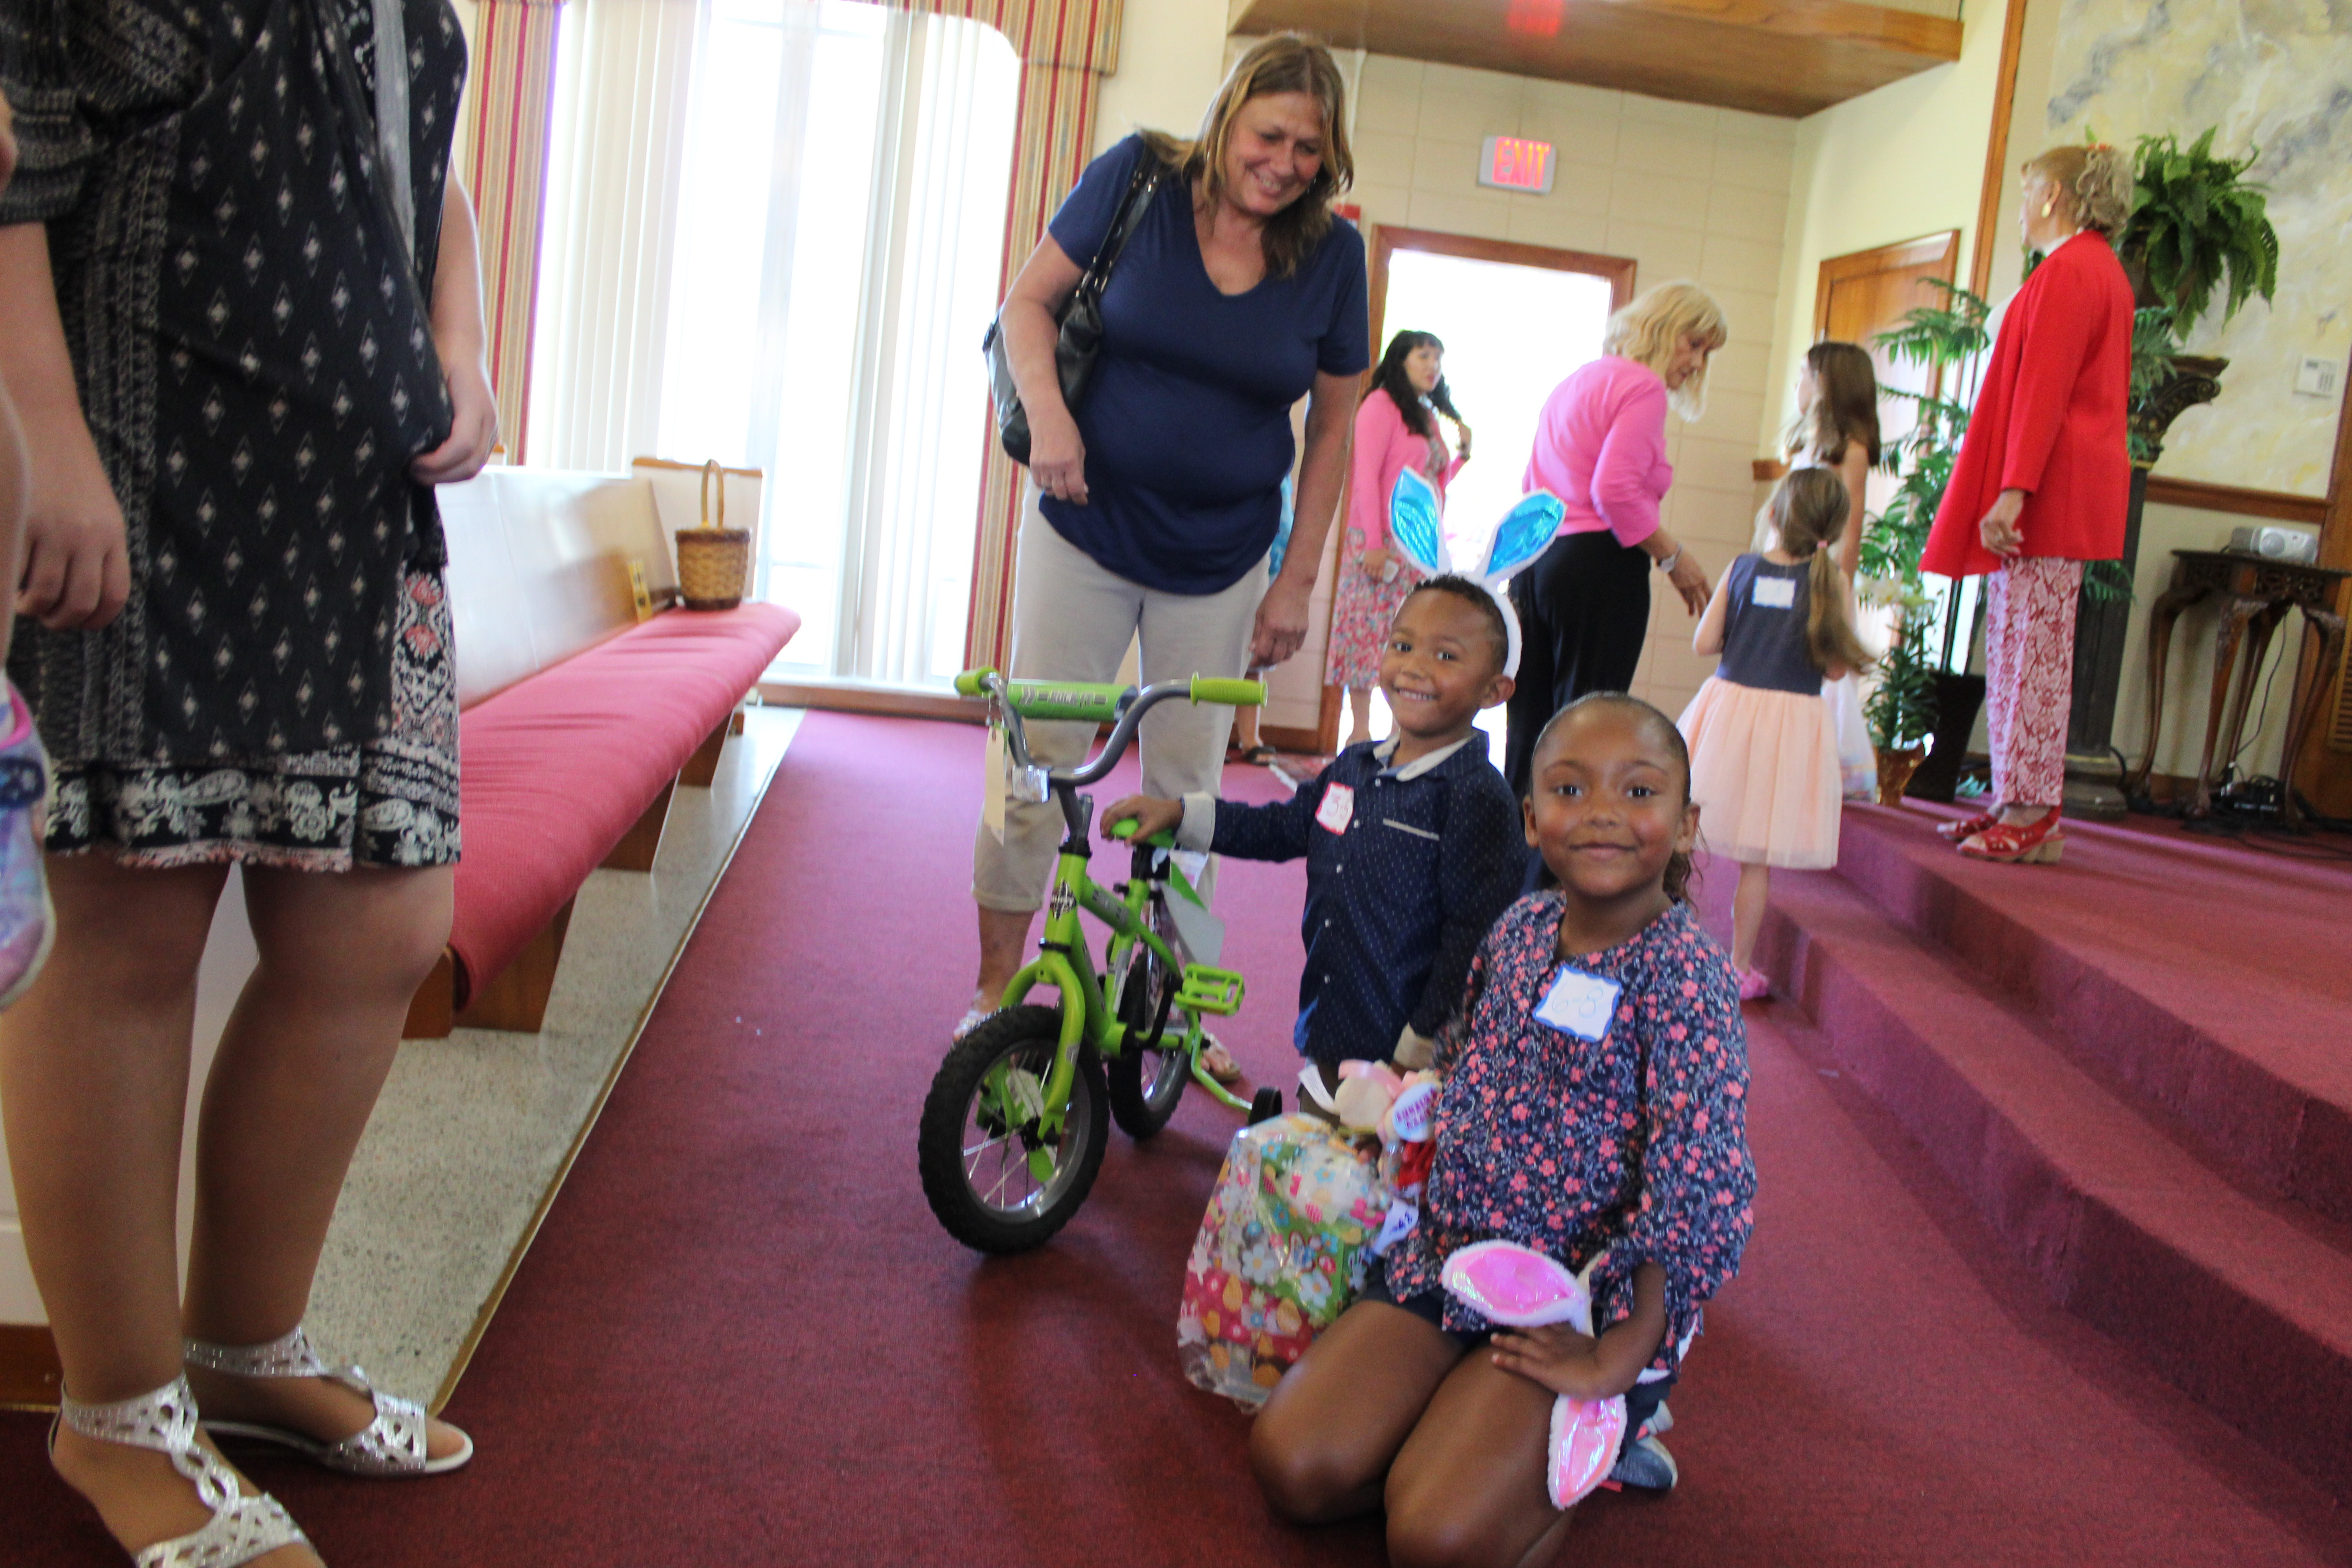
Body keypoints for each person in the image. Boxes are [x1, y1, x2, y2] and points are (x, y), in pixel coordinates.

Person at [0, 4, 494, 1563]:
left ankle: (243, 1345)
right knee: (129, 934)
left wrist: (463, 344)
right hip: (146, 460)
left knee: (381, 926)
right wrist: (41, 439)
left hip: (358, 500)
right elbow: (10, 157)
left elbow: (427, 156)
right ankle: (116, 1410)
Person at [1249, 694, 1756, 1563]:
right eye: (1569, 788)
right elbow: (1459, 1059)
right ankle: (1463, 1431)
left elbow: (1696, 1191)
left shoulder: (1685, 978)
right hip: (1455, 1260)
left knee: (1433, 1539)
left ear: (1683, 824)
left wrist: (1615, 1357)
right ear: (1529, 817)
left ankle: (1607, 1430)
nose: (1600, 812)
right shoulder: (1519, 929)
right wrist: (1400, 1114)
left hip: (1579, 1302)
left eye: (1637, 792)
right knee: (1293, 1466)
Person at [968, 34, 1370, 1066]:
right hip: (1083, 526)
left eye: (1309, 149)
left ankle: (1181, 1002)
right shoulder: (1137, 178)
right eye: (1269, 136)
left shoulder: (1332, 257)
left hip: (1220, 557)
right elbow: (1025, 304)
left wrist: (1295, 581)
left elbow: (1333, 427)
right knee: (1032, 758)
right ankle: (995, 986)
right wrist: (1050, 419)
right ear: (1227, 116)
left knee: (1191, 790)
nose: (1284, 164)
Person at [1105, 577, 1523, 1095]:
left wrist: (1419, 1046)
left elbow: (1475, 940)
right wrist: (1179, 814)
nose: (1415, 666)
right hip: (1332, 1021)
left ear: (1494, 690)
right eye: (1403, 645)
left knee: (1382, 1147)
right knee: (1319, 1137)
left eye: (1446, 656)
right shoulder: (1355, 767)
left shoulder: (1476, 797)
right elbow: (1282, 827)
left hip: (1413, 1060)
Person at [1919, 143, 2134, 865]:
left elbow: (2045, 391)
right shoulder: (2090, 268)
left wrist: (2015, 491)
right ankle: (2015, 800)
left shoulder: (2072, 270)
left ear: (2054, 196)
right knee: (2017, 649)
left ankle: (2035, 811)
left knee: (2034, 656)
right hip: (2054, 485)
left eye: (2028, 191)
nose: (2021, 207)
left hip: (2051, 490)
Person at [1504, 283, 1725, 796]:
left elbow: (1531, 483)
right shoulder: (1642, 388)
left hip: (1539, 561)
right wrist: (1675, 559)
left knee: (1529, 726)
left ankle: (1515, 842)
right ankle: (1567, 847)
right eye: (1694, 344)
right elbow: (1616, 490)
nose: (1697, 363)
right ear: (1660, 328)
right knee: (1586, 727)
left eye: (1706, 353)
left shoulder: (1577, 381)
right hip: (1597, 565)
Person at [1683, 469, 1872, 998]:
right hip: (1791, 724)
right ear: (1834, 528)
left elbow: (1704, 643)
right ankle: (1739, 966)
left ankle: (1670, 949)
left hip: (1729, 712)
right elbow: (1836, 669)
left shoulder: (1743, 568)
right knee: (1757, 860)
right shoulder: (1833, 583)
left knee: (1685, 831)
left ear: (1773, 515)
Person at [1326, 330, 1471, 749]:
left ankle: (1398, 733)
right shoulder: (1379, 405)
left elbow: (1433, 483)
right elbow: (1366, 478)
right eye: (1423, 356)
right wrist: (1374, 543)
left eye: (1437, 359)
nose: (1433, 366)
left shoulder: (1424, 415)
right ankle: (1359, 731)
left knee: (1407, 635)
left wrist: (1462, 457)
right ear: (1400, 360)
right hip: (1380, 540)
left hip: (1417, 545)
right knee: (1364, 632)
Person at [1784, 341, 1882, 801]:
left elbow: (1851, 527)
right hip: (1789, 567)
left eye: (1804, 375)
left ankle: (1824, 767)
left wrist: (1838, 590)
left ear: (1827, 385)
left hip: (1822, 578)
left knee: (1822, 671)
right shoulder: (1805, 443)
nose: (1797, 385)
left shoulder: (1851, 452)